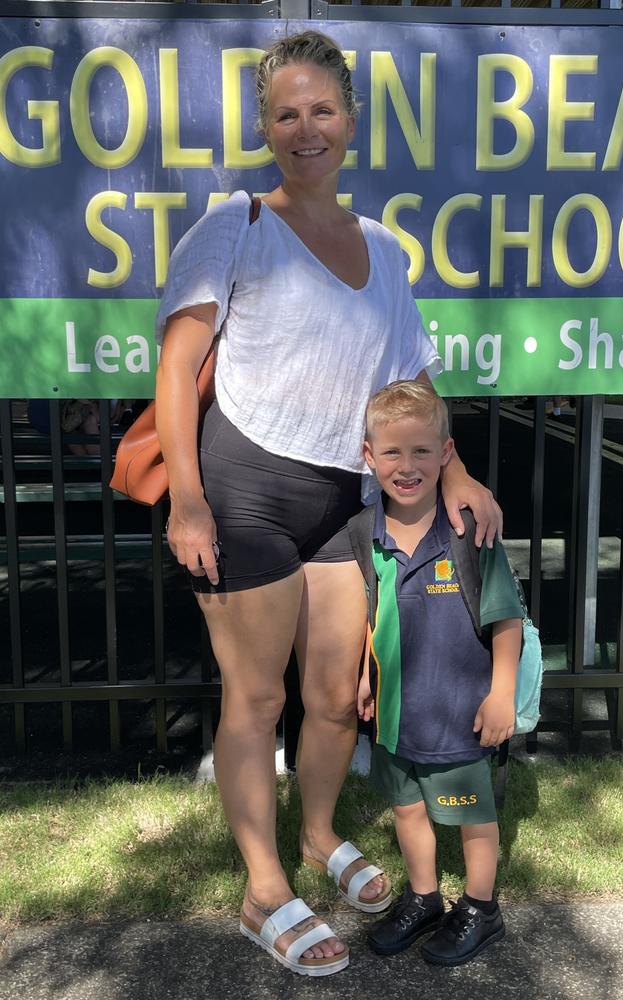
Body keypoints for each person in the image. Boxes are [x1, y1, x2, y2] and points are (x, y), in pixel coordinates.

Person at [155, 30, 501, 976]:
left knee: (334, 703)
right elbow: (180, 367)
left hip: (339, 502)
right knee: (257, 697)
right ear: (267, 127)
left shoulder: (383, 248)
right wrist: (188, 500)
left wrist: (458, 468)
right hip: (242, 487)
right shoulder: (235, 225)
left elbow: (410, 379)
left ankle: (315, 835)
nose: (305, 129)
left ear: (349, 121)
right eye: (285, 113)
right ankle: (263, 888)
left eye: (322, 111)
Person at [352, 380, 523, 967]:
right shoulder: (363, 534)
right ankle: (424, 896)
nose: (408, 466)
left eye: (422, 451)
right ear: (368, 456)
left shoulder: (471, 533)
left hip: (460, 713)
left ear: (446, 455)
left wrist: (502, 693)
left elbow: (507, 622)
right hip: (398, 718)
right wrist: (368, 676)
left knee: (473, 817)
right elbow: (371, 616)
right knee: (407, 810)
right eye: (393, 452)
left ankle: (480, 907)